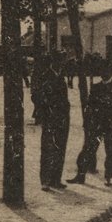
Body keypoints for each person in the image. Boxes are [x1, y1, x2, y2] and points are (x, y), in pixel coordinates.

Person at [67, 61, 112, 186]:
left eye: (105, 71)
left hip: (110, 125)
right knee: (88, 149)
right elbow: (90, 106)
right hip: (96, 125)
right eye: (101, 71)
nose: (103, 74)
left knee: (110, 151)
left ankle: (108, 177)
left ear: (110, 73)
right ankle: (80, 175)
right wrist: (89, 120)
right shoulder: (96, 87)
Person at [39, 52, 71, 191]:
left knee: (60, 147)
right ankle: (45, 180)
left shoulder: (60, 77)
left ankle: (56, 179)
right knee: (48, 148)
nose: (62, 64)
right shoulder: (46, 76)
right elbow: (37, 96)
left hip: (63, 118)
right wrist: (47, 109)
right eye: (60, 62)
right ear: (54, 62)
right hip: (50, 118)